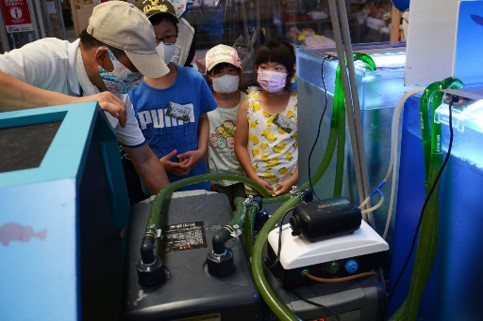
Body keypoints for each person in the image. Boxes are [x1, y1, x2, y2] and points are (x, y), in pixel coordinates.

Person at [0, 1, 170, 195]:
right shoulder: (48, 58)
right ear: (102, 57)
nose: (140, 78)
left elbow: (145, 160)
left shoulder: (119, 99)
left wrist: (173, 210)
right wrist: (78, 106)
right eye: (135, 69)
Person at [131, 0, 217, 192]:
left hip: (197, 181)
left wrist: (201, 151)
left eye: (168, 37)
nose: (161, 45)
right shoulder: (131, 89)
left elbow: (203, 118)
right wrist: (156, 164)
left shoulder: (193, 79)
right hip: (156, 186)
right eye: (153, 38)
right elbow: (132, 142)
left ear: (177, 36)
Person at [234, 39, 298, 197]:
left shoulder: (299, 105)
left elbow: (307, 148)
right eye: (264, 67)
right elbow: (240, 146)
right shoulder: (248, 105)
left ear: (290, 72)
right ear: (256, 69)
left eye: (277, 68)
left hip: (292, 189)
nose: (270, 73)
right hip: (255, 189)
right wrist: (253, 178)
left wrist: (293, 180)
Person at [205, 44, 247, 209]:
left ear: (239, 72)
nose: (226, 76)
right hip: (218, 179)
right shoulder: (205, 106)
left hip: (246, 177)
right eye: (219, 72)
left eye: (231, 71)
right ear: (210, 76)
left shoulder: (250, 103)